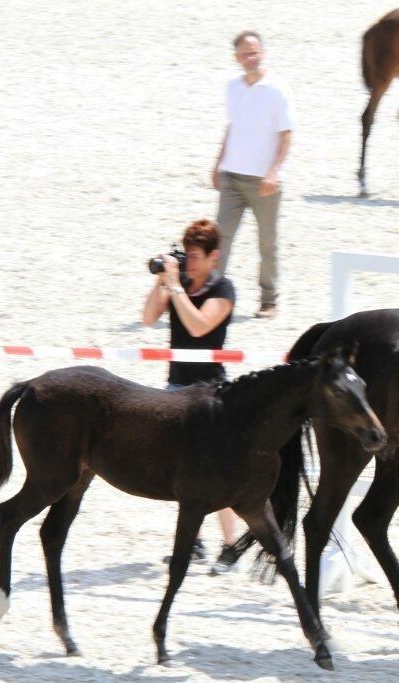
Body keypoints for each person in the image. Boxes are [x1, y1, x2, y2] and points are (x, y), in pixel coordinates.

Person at [141, 219, 242, 574]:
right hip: (176, 388)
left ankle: (230, 546)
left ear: (214, 256)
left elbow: (200, 325)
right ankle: (194, 543)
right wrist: (162, 282)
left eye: (197, 257)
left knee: (217, 472)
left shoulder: (223, 289)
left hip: (212, 393)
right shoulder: (178, 282)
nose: (191, 263)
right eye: (188, 256)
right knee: (182, 470)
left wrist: (177, 289)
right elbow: (148, 317)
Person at [212, 30, 295, 319]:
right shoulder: (232, 87)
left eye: (256, 52)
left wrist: (273, 173)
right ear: (237, 57)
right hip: (232, 176)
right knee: (220, 238)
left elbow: (286, 135)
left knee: (267, 242)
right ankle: (211, 295)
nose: (252, 58)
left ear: (263, 53)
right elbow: (232, 127)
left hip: (264, 182)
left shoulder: (277, 89)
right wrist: (217, 164)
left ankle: (268, 300)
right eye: (246, 53)